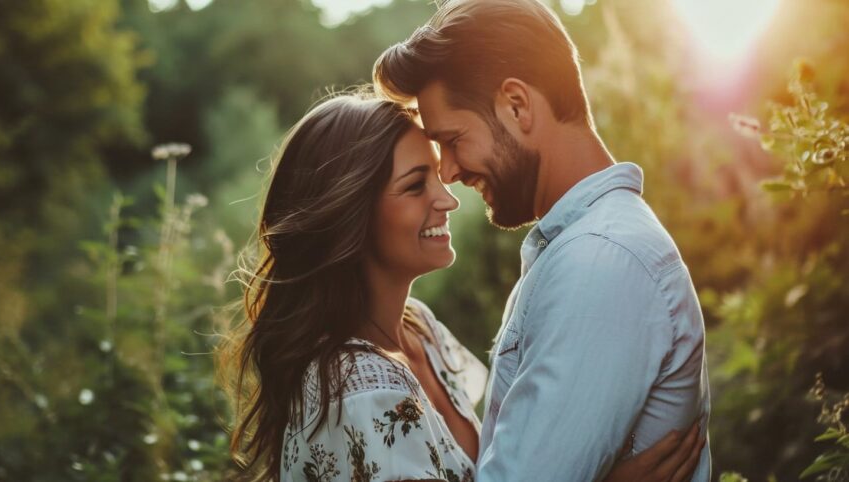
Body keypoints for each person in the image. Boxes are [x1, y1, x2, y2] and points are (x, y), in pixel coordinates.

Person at [218, 91, 703, 482]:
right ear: (350, 217)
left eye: (437, 174)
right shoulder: (356, 394)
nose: (447, 199)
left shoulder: (421, 332)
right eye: (415, 186)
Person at [373, 0, 712, 480]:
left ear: (517, 105)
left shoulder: (600, 262)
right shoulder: (584, 246)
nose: (448, 170)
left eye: (452, 139)